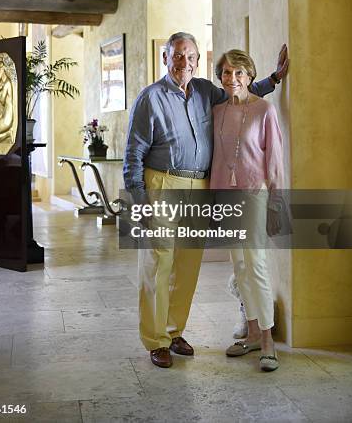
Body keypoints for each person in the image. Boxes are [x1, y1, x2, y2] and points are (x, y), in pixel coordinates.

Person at [123, 32, 287, 369]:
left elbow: (240, 95)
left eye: (191, 57)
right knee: (158, 263)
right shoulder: (149, 98)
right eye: (178, 56)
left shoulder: (204, 92)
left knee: (187, 265)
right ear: (166, 58)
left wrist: (273, 79)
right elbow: (133, 155)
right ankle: (157, 340)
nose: (185, 63)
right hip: (163, 182)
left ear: (198, 61)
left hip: (200, 185)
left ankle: (174, 330)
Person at [210, 49, 284, 372]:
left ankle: (268, 340)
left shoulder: (265, 110)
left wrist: (276, 204)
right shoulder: (216, 111)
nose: (233, 78)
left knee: (256, 264)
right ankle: (252, 332)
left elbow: (275, 161)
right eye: (227, 73)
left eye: (239, 72)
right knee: (239, 266)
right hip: (225, 197)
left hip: (255, 195)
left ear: (250, 76)